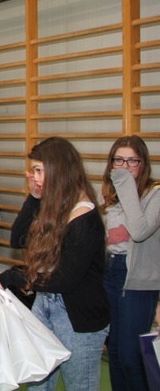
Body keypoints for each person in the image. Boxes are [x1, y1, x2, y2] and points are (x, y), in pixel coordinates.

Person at [0, 136, 110, 390]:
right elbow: (17, 237)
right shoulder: (54, 204)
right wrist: (34, 196)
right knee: (37, 384)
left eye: (39, 170)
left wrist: (13, 277)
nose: (33, 176)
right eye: (34, 170)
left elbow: (65, 280)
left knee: (80, 386)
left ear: (58, 170)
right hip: (45, 304)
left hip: (77, 317)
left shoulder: (84, 217)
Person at [100, 135, 160, 391]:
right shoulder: (111, 197)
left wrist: (125, 184)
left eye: (132, 161)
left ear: (143, 164)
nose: (125, 167)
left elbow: (138, 231)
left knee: (130, 357)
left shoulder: (155, 195)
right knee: (113, 351)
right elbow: (106, 238)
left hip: (138, 280)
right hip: (111, 272)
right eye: (119, 160)